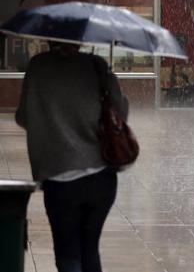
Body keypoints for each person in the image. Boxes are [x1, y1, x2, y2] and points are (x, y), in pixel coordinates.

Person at [15, 41, 128, 272]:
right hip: (101, 178)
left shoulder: (38, 67)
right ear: (79, 39)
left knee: (68, 254)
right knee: (89, 250)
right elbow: (121, 112)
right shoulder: (96, 65)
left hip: (60, 177)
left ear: (48, 38)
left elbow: (23, 117)